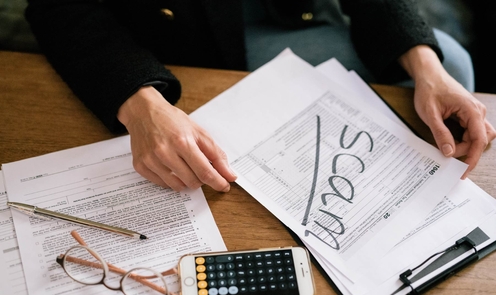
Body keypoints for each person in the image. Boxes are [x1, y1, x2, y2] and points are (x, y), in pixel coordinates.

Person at [25, 0, 496, 193]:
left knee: (449, 64)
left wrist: (425, 65)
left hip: (291, 16)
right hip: (175, 38)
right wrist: (138, 101)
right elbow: (58, 9)